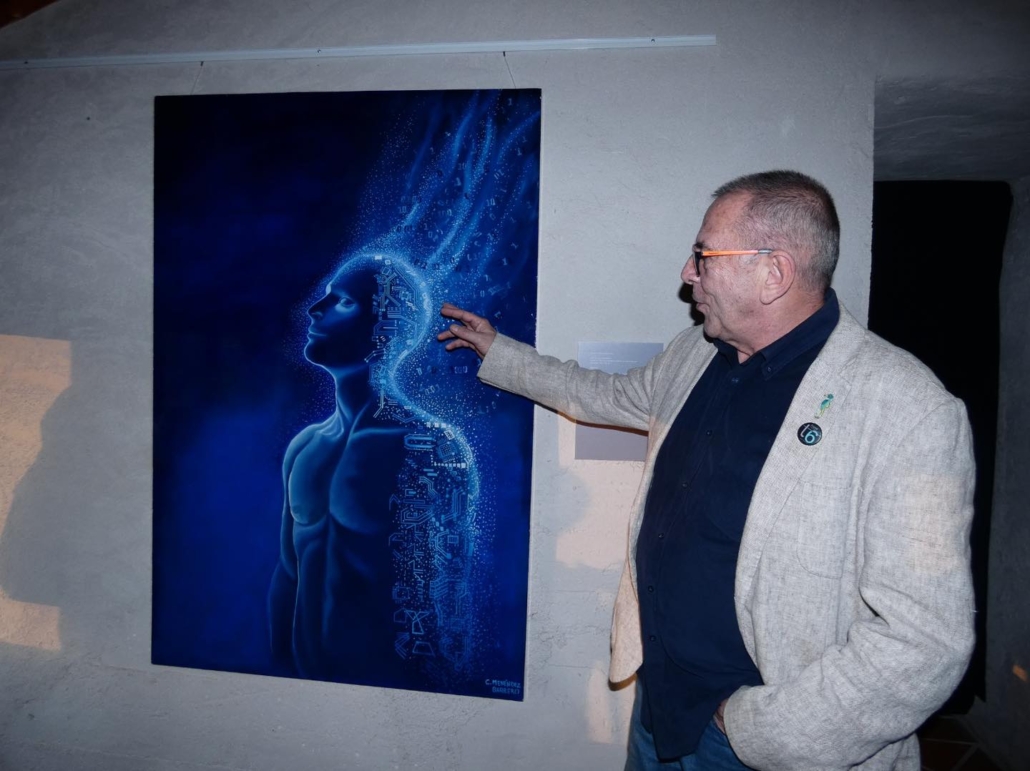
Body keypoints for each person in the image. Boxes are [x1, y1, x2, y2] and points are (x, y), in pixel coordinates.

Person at [437, 171, 975, 771]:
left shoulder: (907, 409)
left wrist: (756, 727)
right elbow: (602, 394)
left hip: (763, 742)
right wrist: (500, 352)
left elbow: (925, 641)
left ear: (774, 273)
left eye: (704, 255)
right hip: (662, 703)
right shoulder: (695, 353)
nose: (687, 274)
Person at [269, 253, 476, 687]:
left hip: (392, 695)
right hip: (307, 690)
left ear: (386, 328)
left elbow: (444, 599)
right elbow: (289, 574)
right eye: (326, 297)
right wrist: (278, 678)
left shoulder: (430, 448)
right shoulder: (305, 447)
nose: (315, 310)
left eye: (343, 301)